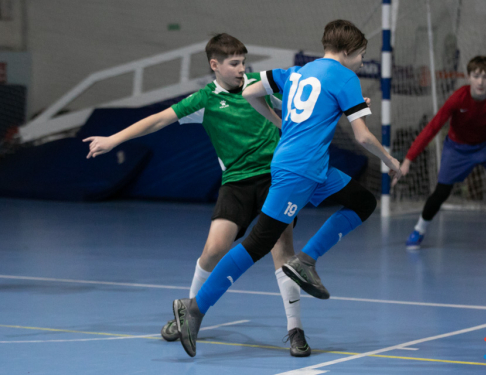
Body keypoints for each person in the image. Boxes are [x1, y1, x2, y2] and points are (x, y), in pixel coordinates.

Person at [171, 19, 401, 358]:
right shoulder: (346, 78)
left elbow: (250, 92)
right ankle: (194, 308)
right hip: (299, 171)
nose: (361, 62)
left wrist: (280, 122)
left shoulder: (296, 72)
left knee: (363, 201)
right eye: (361, 55)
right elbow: (363, 137)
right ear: (348, 51)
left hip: (311, 168)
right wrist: (391, 160)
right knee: (258, 243)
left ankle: (306, 260)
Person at [84, 33, 312, 357]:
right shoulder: (205, 99)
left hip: (276, 178)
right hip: (236, 183)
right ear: (214, 65)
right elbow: (158, 120)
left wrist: (350, 108)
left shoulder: (258, 87)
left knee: (282, 249)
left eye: (244, 63)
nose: (241, 69)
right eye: (234, 63)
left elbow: (306, 104)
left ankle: (295, 329)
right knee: (214, 249)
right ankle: (190, 314)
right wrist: (113, 139)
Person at [400, 56, 486, 250]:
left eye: (485, 77)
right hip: (457, 148)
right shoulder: (458, 99)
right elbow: (432, 127)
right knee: (441, 192)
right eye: (476, 76)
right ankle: (419, 229)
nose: (480, 82)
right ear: (468, 78)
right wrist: (409, 158)